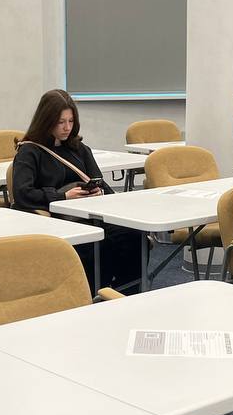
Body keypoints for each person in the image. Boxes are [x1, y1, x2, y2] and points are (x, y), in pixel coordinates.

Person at [11, 89, 141, 293]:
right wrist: (62, 196)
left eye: (71, 121)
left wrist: (98, 192)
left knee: (133, 236)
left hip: (91, 215)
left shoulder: (79, 148)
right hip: (59, 220)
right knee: (99, 244)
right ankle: (91, 296)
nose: (67, 128)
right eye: (61, 122)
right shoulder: (29, 151)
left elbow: (100, 183)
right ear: (46, 121)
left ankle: (126, 293)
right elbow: (22, 193)